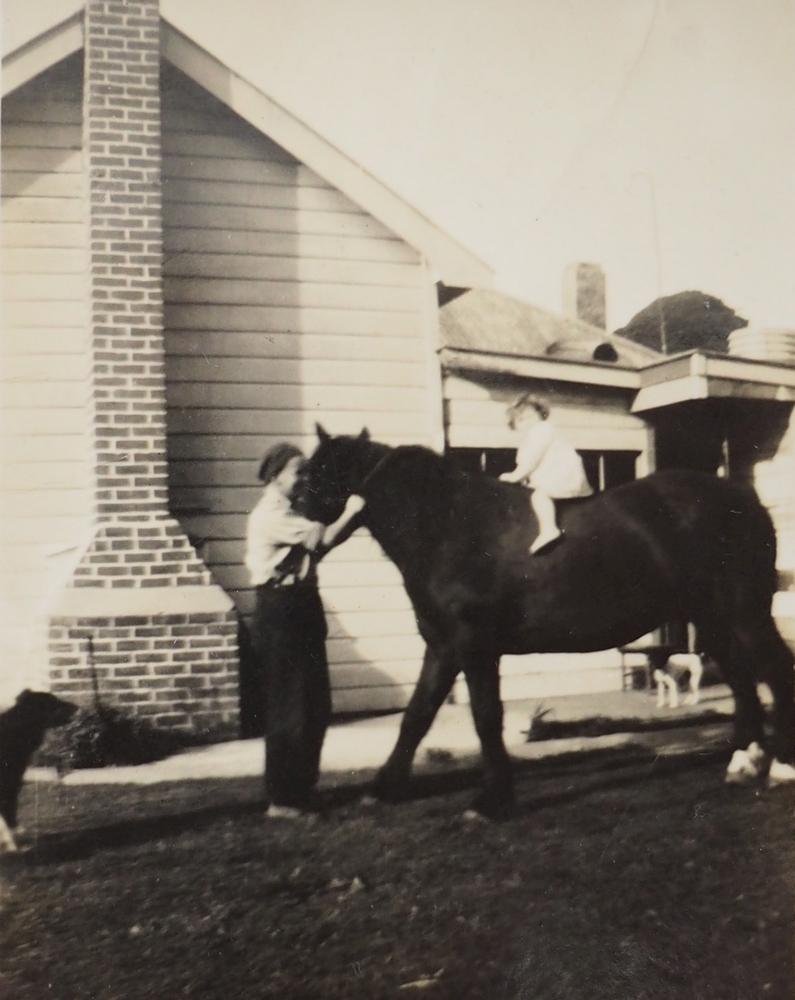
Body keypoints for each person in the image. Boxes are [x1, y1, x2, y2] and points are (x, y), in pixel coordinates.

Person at [245, 442, 365, 818]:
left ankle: (302, 790)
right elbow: (323, 539)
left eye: (307, 472)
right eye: (299, 472)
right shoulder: (270, 514)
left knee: (314, 703)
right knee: (290, 707)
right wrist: (355, 510)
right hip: (281, 611)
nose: (305, 479)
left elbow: (319, 547)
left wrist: (344, 520)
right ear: (276, 474)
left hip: (300, 606)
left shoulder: (290, 511)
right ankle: (283, 799)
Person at [499, 394, 592, 554]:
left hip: (562, 475)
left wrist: (516, 475)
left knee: (539, 496)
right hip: (551, 475)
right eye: (520, 420)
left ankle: (549, 529)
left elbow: (532, 460)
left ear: (541, 415)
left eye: (529, 417)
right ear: (514, 425)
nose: (525, 422)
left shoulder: (542, 430)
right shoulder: (531, 438)